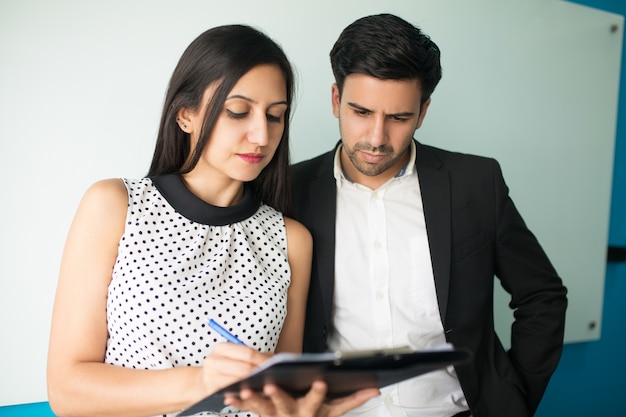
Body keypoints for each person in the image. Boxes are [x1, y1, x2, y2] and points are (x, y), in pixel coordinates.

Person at [47, 24, 378, 417]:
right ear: (185, 114)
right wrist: (201, 382)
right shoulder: (115, 206)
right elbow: (67, 390)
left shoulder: (292, 241)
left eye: (275, 117)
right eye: (238, 112)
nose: (261, 135)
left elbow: (281, 396)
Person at [291, 13, 568, 417]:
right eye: (361, 112)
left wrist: (514, 398)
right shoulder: (288, 191)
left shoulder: (476, 183)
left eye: (399, 118)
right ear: (336, 100)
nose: (376, 138)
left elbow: (542, 295)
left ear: (422, 112)